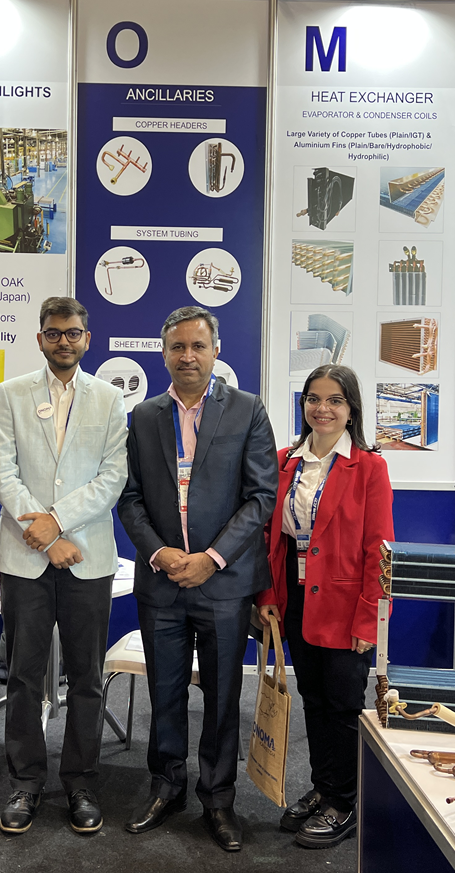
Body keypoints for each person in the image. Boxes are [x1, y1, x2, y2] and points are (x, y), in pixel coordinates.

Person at [117, 306, 277, 853]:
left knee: (223, 696)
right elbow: (129, 497)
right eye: (177, 347)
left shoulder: (248, 410)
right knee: (164, 692)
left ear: (216, 351)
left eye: (198, 346)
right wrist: (160, 553)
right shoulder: (144, 416)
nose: (188, 356)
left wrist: (212, 558)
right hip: (162, 582)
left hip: (223, 584)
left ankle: (218, 798)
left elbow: (261, 497)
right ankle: (166, 787)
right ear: (164, 354)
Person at [0, 296, 127, 837]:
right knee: (24, 676)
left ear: (86, 339)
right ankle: (25, 782)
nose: (63, 341)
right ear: (40, 338)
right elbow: (2, 471)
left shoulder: (110, 399)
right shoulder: (9, 394)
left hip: (87, 556)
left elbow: (113, 476)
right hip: (24, 556)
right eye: (53, 333)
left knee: (87, 677)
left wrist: (58, 523)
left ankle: (81, 782)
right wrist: (46, 537)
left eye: (72, 333)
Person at [257, 363, 393, 849]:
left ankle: (344, 802)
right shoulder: (284, 462)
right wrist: (268, 597)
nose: (323, 408)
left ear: (351, 409)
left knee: (342, 705)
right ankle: (323, 786)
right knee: (313, 700)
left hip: (346, 605)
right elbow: (270, 538)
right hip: (295, 599)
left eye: (335, 400)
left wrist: (369, 619)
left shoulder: (368, 467)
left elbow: (379, 550)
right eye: (314, 398)